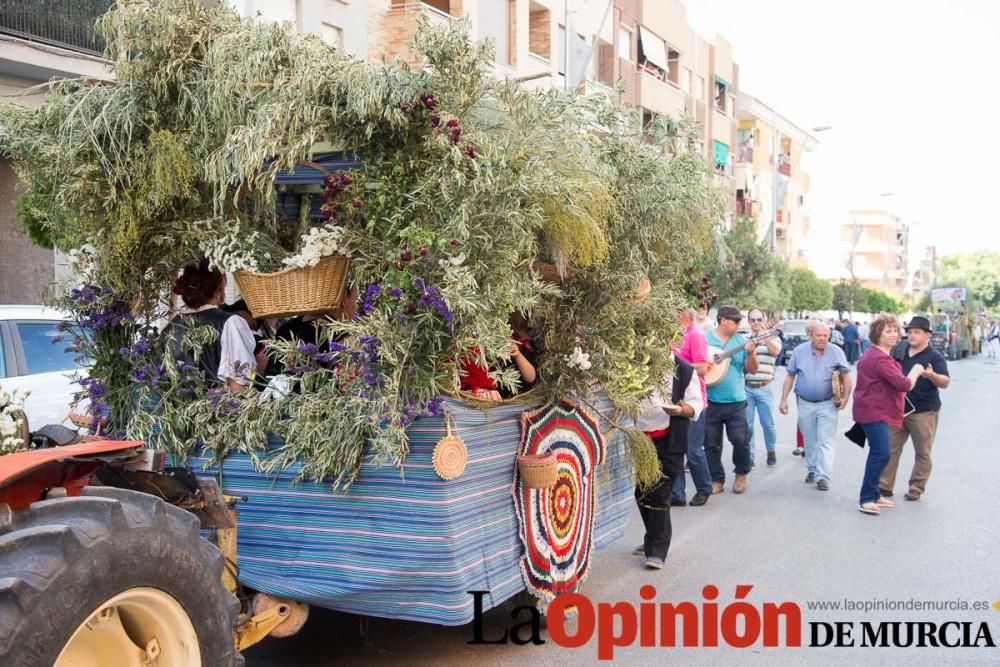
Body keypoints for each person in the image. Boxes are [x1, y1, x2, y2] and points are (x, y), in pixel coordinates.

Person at [633, 354, 703, 570]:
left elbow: (695, 405)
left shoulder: (684, 370)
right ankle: (653, 536)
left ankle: (657, 551)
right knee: (642, 492)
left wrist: (682, 410)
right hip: (640, 439)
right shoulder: (635, 362)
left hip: (669, 440)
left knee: (661, 494)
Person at [852, 314, 925, 515]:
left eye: (895, 330)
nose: (894, 334)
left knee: (882, 453)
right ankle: (866, 498)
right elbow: (904, 384)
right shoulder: (878, 358)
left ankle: (874, 494)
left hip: (877, 411)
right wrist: (917, 370)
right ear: (877, 334)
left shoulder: (881, 356)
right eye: (888, 331)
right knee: (881, 453)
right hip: (874, 411)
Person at [879, 315, 950, 501]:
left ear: (927, 335)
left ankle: (916, 487)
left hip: (924, 411)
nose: (912, 335)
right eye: (910, 332)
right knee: (890, 449)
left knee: (923, 452)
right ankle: (885, 486)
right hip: (898, 408)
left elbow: (945, 382)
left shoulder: (934, 356)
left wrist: (931, 374)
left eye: (917, 332)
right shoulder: (899, 349)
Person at [168, 259, 259, 393]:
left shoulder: (171, 327)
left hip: (173, 411)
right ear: (221, 287)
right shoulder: (231, 323)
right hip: (217, 410)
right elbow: (238, 385)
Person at [779, 322, 851, 491]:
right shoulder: (799, 351)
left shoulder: (836, 352)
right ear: (810, 335)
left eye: (826, 335)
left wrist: (846, 397)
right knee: (810, 440)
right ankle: (812, 469)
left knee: (826, 441)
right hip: (805, 403)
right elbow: (790, 376)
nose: (823, 339)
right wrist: (783, 400)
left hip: (827, 404)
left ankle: (823, 476)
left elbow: (847, 376)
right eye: (819, 335)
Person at [704, 305, 757, 494]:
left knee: (740, 439)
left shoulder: (741, 341)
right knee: (711, 443)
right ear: (723, 320)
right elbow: (698, 364)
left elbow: (751, 369)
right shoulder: (705, 339)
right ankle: (716, 479)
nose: (739, 324)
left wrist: (751, 354)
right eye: (736, 321)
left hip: (736, 401)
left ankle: (741, 473)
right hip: (710, 400)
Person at [670, 308, 713, 507]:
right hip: (675, 399)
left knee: (693, 450)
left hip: (694, 399)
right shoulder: (672, 335)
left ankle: (704, 488)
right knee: (676, 449)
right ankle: (678, 493)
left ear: (683, 316)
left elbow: (703, 368)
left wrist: (675, 365)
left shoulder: (696, 336)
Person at [744, 308, 781, 467]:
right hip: (746, 387)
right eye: (753, 320)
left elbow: (776, 352)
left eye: (759, 319)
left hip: (765, 387)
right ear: (748, 321)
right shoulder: (744, 338)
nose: (756, 323)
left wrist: (765, 337)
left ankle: (771, 450)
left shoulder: (773, 337)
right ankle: (750, 456)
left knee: (768, 423)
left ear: (765, 320)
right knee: (748, 424)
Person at [498, 311, 538, 398]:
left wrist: (517, 355)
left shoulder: (528, 346)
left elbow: (531, 377)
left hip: (517, 396)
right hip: (496, 393)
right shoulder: (497, 339)